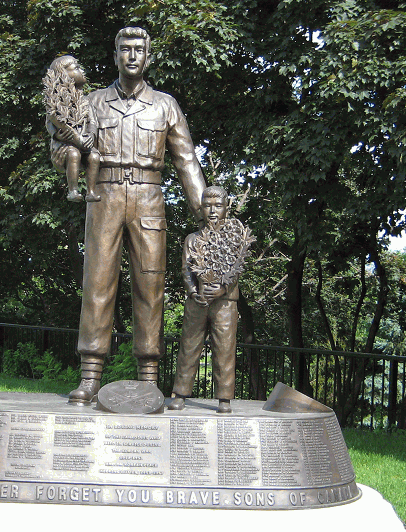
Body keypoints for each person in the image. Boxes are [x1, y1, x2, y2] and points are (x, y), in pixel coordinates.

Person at [65, 27, 206, 404]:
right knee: (97, 283)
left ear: (148, 57)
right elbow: (66, 146)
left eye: (138, 50)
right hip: (104, 195)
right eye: (125, 49)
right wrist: (65, 156)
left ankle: (148, 379)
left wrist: (206, 216)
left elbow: (187, 160)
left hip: (148, 197)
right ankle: (90, 376)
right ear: (115, 56)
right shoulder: (93, 102)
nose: (131, 56)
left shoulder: (165, 105)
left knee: (150, 286)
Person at [168, 186, 248, 414]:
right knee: (189, 347)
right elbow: (186, 270)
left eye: (218, 206)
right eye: (207, 206)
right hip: (197, 302)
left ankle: (224, 398)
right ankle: (180, 394)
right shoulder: (192, 239)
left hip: (225, 303)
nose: (212, 211)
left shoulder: (234, 239)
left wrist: (223, 289)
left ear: (226, 208)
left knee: (224, 349)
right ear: (201, 209)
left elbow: (237, 269)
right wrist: (193, 292)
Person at [44, 55, 101, 202]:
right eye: (76, 68)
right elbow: (51, 122)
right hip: (65, 145)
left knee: (94, 157)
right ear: (63, 74)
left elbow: (92, 121)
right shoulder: (55, 101)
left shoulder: (85, 100)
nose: (82, 71)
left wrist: (90, 136)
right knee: (73, 154)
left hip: (84, 142)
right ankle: (73, 191)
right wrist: (57, 135)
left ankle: (91, 191)